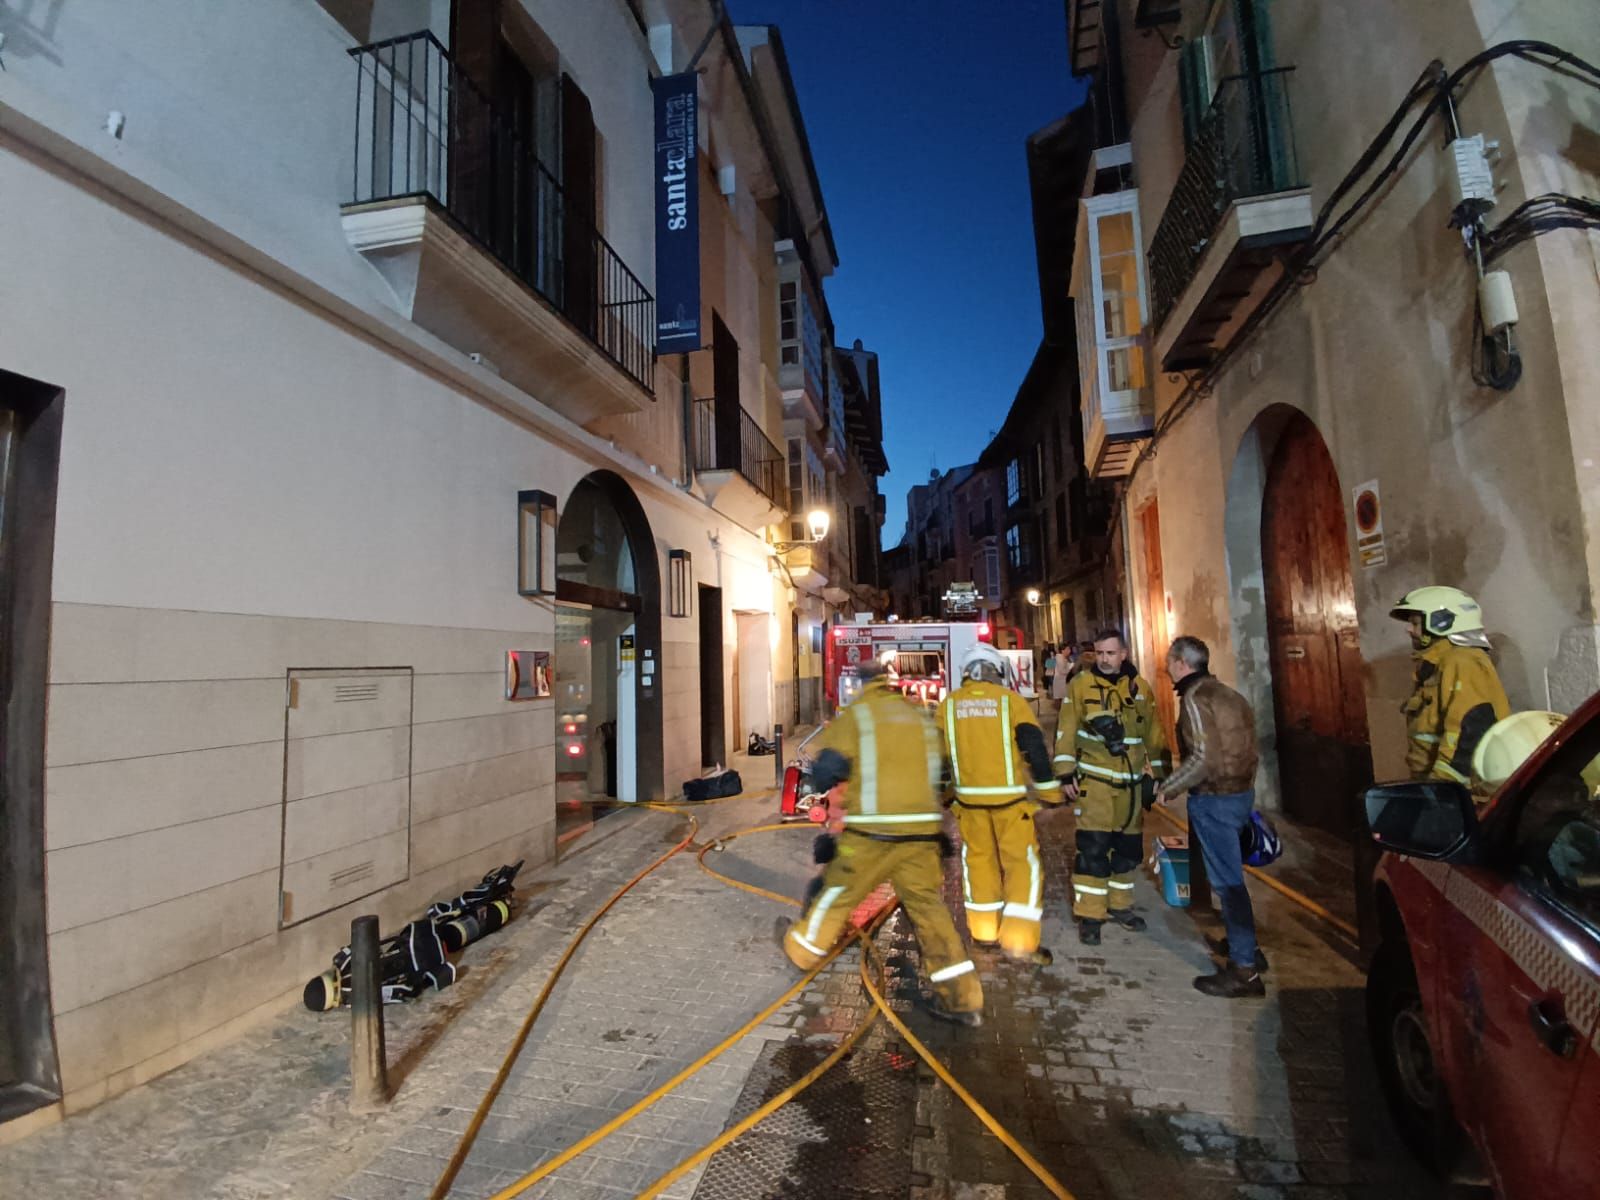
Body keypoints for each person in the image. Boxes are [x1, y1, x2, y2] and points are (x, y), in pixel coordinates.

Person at [782, 659, 985, 1026]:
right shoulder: (918, 717)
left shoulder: (857, 715)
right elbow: (942, 772)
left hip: (871, 836)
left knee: (837, 893)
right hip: (922, 837)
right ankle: (962, 999)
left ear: (861, 685)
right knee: (930, 912)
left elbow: (828, 769)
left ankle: (802, 950)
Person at [936, 643, 1061, 964]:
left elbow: (938, 760)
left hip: (970, 806)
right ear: (997, 672)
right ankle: (1020, 943)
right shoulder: (1011, 702)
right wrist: (1049, 794)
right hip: (1011, 805)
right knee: (1022, 867)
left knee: (978, 866)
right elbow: (1034, 747)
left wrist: (943, 795)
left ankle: (984, 935)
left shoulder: (947, 706)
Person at [1155, 636, 1264, 998]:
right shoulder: (1228, 693)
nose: (1168, 667)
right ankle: (1243, 947)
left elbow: (1204, 757)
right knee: (1232, 879)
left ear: (1182, 663)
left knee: (1228, 884)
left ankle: (1244, 969)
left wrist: (1167, 787)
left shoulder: (1196, 699)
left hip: (1215, 799)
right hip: (1239, 794)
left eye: (1170, 661)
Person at [1054, 629, 1169, 946]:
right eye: (1100, 653)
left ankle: (1120, 906)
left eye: (1110, 653)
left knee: (1127, 851)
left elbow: (1154, 735)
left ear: (1124, 654)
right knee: (1092, 850)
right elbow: (1065, 732)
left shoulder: (1139, 689)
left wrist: (1160, 775)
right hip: (1096, 785)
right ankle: (1091, 915)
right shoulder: (1080, 686)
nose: (1104, 659)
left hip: (1131, 787)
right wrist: (1065, 774)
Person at [1389, 587, 1510, 785]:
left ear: (1442, 623)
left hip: (1456, 791)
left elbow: (1467, 733)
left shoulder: (1462, 662)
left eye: (1415, 623)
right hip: (1432, 784)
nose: (1409, 629)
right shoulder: (1439, 663)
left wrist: (1442, 790)